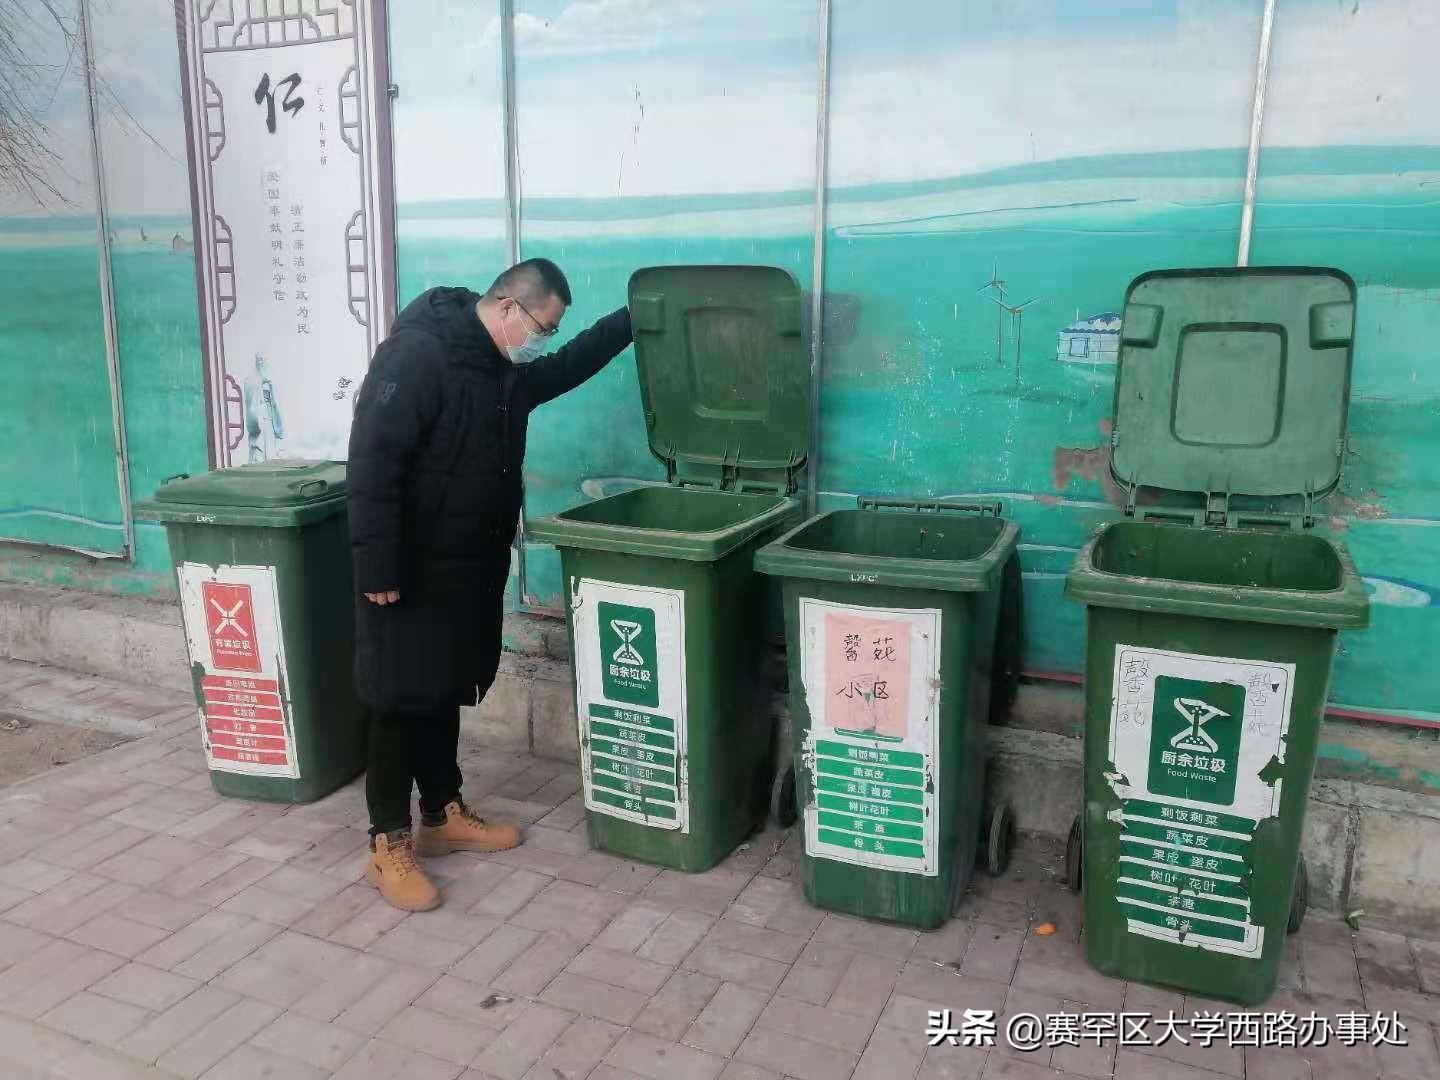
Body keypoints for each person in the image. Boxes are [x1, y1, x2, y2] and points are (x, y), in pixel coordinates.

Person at [347, 258, 632, 911]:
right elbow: (372, 458)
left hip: (463, 565)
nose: (545, 342)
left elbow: (561, 371)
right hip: (406, 567)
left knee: (440, 685)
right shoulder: (417, 357)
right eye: (543, 327)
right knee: (396, 697)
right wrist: (378, 565)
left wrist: (630, 323)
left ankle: (442, 813)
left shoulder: (497, 370)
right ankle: (386, 843)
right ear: (509, 308)